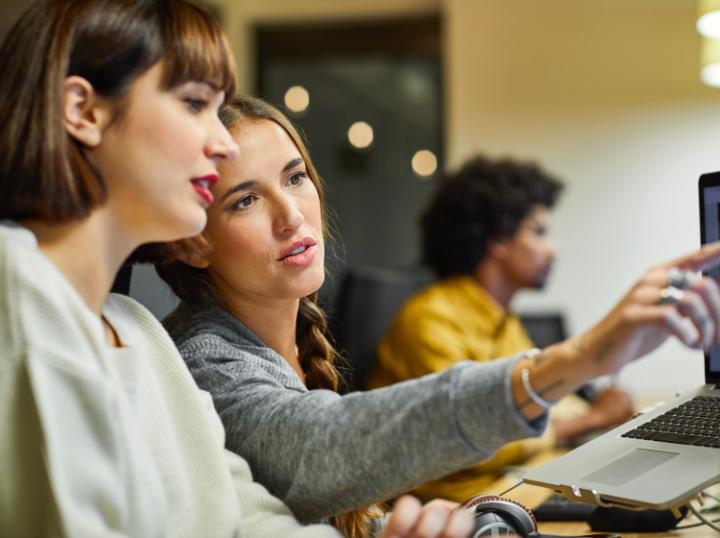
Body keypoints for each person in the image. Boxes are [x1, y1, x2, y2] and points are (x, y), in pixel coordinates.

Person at [0, 2, 473, 537]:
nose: (221, 141)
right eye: (195, 103)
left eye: (296, 178)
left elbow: (247, 524)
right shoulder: (17, 293)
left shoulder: (137, 330)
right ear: (83, 111)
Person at [155, 95, 720, 535]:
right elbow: (321, 449)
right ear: (192, 242)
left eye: (296, 177)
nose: (290, 216)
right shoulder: (204, 361)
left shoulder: (285, 346)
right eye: (245, 200)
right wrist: (577, 358)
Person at [365, 156, 635, 502]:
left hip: (505, 486)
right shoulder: (429, 320)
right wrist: (592, 418)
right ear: (498, 240)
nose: (552, 250)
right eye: (538, 232)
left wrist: (606, 412)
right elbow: (472, 437)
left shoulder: (502, 320)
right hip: (454, 506)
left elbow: (544, 399)